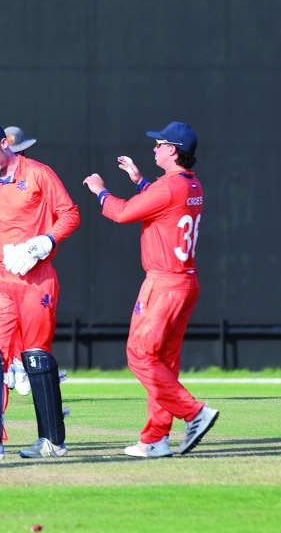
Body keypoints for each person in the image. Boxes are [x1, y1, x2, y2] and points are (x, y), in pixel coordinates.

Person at [81, 121, 218, 458]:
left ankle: (195, 413)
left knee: (139, 355)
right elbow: (164, 204)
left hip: (164, 283)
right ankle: (155, 438)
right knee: (163, 362)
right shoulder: (191, 182)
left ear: (172, 150)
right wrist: (140, 181)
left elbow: (123, 213)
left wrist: (100, 190)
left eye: (159, 143)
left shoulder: (169, 186)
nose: (154, 147)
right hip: (186, 282)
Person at [0, 121, 80, 460]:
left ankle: (52, 442)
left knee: (36, 356)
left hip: (36, 278)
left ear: (4, 145)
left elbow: (70, 214)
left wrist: (43, 242)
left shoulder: (39, 174)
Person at [0, 126, 37, 397]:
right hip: (2, 266)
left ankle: (24, 364)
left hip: (31, 265)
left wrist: (42, 243)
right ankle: (14, 365)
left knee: (29, 323)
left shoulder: (34, 173)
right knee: (0, 324)